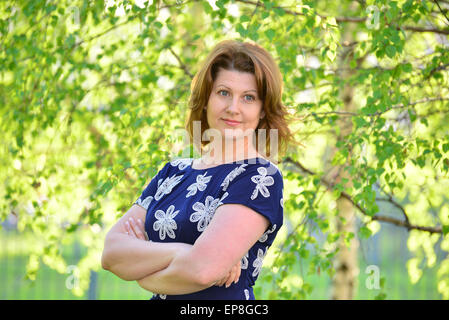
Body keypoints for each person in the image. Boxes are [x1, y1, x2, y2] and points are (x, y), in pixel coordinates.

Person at [101, 39, 295, 300]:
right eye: (223, 92)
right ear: (205, 99)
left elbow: (202, 271)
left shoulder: (259, 178)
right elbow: (112, 253)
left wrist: (142, 266)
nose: (233, 108)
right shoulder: (173, 172)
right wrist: (183, 253)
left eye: (248, 98)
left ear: (262, 110)